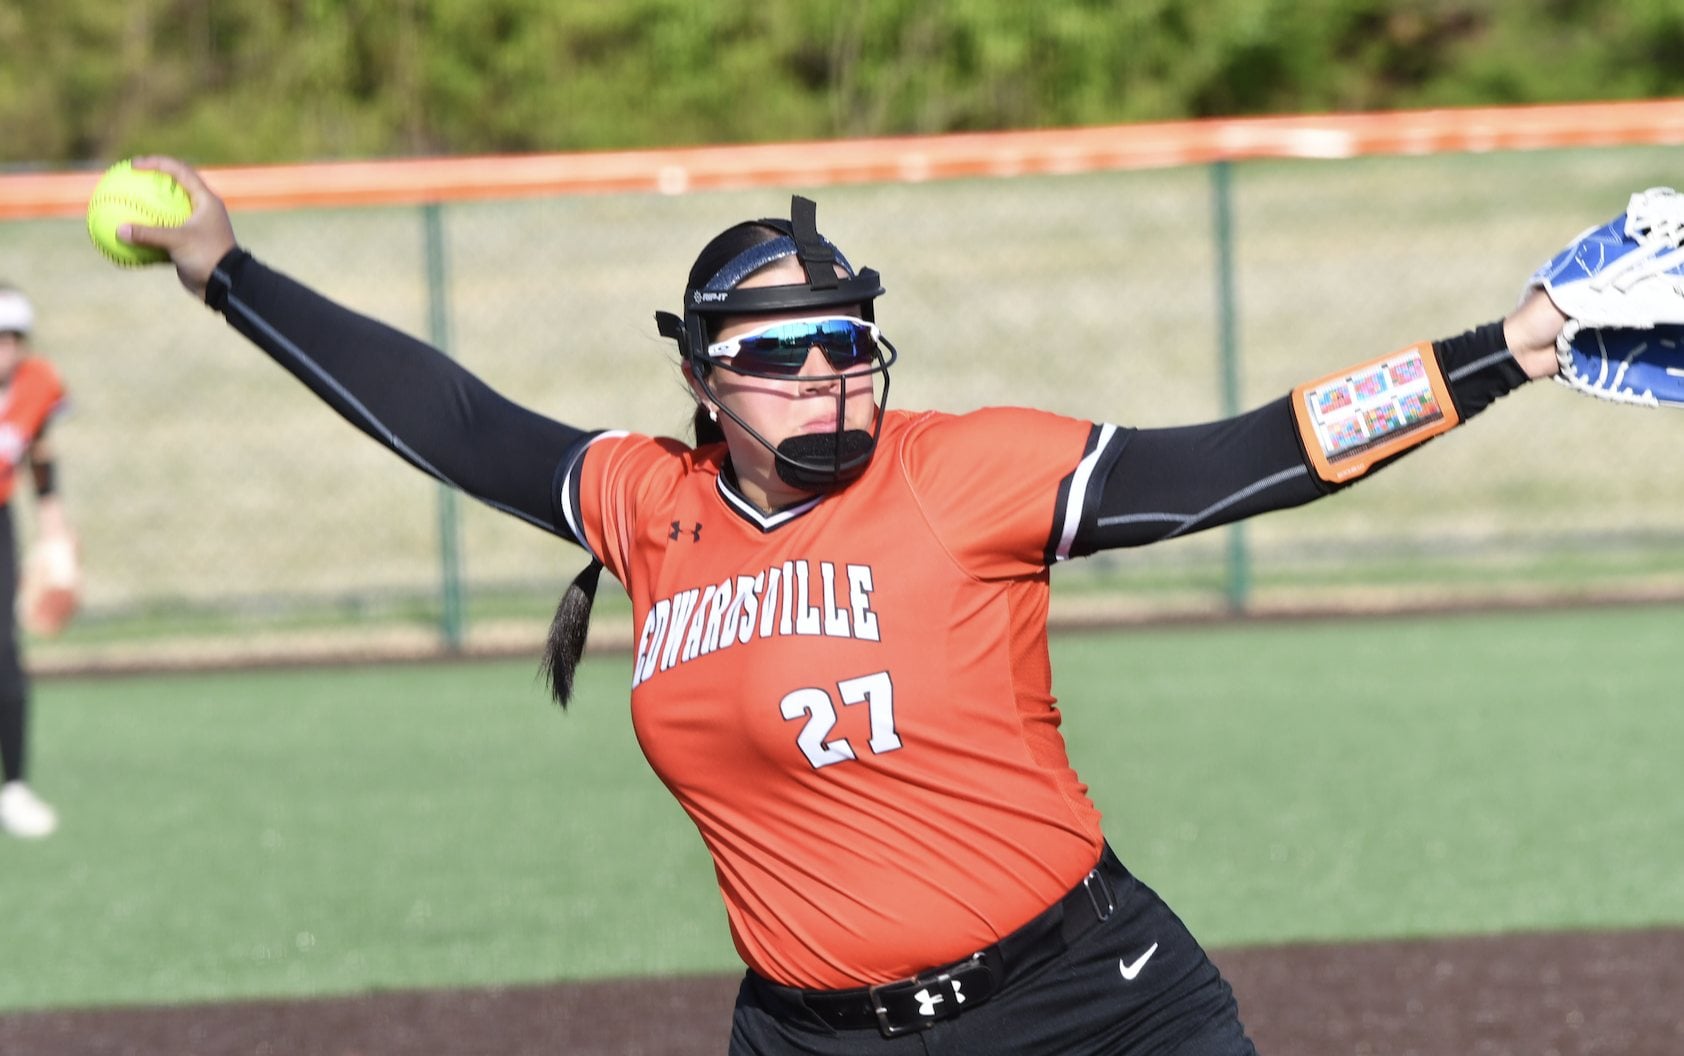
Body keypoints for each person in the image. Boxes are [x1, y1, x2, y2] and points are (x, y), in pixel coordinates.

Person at [125, 153, 1584, 1054]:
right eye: (786, 350)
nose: (832, 372)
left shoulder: (959, 473)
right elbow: (448, 417)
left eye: (854, 341)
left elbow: (1248, 459)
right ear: (701, 376)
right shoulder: (650, 503)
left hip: (1089, 1009)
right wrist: (225, 275)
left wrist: (1509, 347)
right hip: (812, 1042)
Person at [0, 284, 74, 840]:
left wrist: (54, 528)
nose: (3, 348)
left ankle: (15, 787)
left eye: (13, 337)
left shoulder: (36, 383)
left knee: (5, 655)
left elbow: (39, 453)